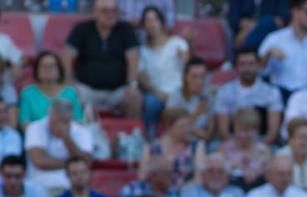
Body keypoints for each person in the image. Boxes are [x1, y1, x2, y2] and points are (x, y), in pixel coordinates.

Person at [62, 0, 142, 118]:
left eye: (114, 11)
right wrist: (68, 82)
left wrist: (132, 85)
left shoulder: (126, 30)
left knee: (135, 98)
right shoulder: (82, 29)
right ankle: (74, 135)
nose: (110, 14)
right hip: (86, 90)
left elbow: (133, 58)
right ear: (95, 12)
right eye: (105, 11)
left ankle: (131, 134)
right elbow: (67, 56)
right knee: (67, 96)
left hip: (118, 90)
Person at [259, 0, 307, 100]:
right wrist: (267, 56)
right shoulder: (274, 39)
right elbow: (260, 73)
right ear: (295, 11)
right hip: (280, 97)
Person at [24, 99, 94, 196]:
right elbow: (39, 161)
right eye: (55, 121)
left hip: (71, 188)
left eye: (64, 121)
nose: (59, 126)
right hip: (40, 187)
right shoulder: (35, 127)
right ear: (50, 115)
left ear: (70, 119)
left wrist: (66, 138)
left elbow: (86, 162)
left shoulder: (82, 132)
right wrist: (72, 164)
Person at [214, 47, 283, 145]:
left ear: (258, 65)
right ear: (236, 67)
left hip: (263, 144)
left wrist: (259, 150)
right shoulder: (225, 91)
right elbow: (223, 131)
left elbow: (273, 132)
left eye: (251, 64)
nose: (247, 69)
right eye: (242, 64)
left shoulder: (271, 92)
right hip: (233, 145)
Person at [138, 6, 189, 136]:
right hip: (157, 93)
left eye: (155, 19)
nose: (152, 24)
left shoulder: (178, 43)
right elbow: (142, 78)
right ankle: (150, 138)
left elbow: (187, 67)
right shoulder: (143, 51)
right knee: (150, 102)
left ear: (161, 22)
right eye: (147, 21)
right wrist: (158, 92)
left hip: (179, 90)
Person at [139, 107, 207, 188]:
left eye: (189, 125)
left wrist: (176, 192)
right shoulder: (151, 147)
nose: (188, 130)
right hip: (157, 193)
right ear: (169, 127)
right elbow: (142, 177)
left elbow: (199, 179)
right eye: (182, 126)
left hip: (186, 193)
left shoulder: (197, 146)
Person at [17, 51, 84, 129]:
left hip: (66, 137)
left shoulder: (70, 92)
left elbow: (78, 121)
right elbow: (24, 123)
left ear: (59, 70)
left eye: (52, 66)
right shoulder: (27, 93)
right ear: (36, 71)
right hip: (37, 138)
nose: (48, 69)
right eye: (43, 66)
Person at [219, 108, 274, 191]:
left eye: (249, 131)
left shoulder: (264, 150)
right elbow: (218, 172)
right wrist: (233, 167)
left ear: (257, 130)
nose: (244, 135)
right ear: (235, 128)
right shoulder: (224, 148)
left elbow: (270, 174)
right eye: (241, 130)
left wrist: (257, 173)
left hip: (257, 188)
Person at [165, 57, 214, 143]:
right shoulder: (175, 96)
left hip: (200, 144)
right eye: (194, 76)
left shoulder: (209, 96)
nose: (200, 81)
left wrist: (188, 128)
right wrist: (196, 114)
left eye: (203, 76)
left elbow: (208, 135)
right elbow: (172, 130)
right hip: (178, 143)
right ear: (185, 77)